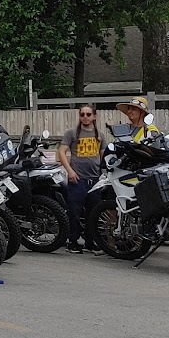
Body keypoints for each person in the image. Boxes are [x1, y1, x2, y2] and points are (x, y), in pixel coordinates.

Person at [56, 103, 103, 252]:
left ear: (94, 116)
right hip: (77, 179)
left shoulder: (100, 135)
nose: (85, 117)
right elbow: (61, 152)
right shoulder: (72, 133)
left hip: (95, 180)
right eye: (82, 114)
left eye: (88, 114)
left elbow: (103, 155)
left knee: (93, 213)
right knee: (74, 212)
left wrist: (103, 173)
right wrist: (70, 171)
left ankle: (90, 241)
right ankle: (73, 241)